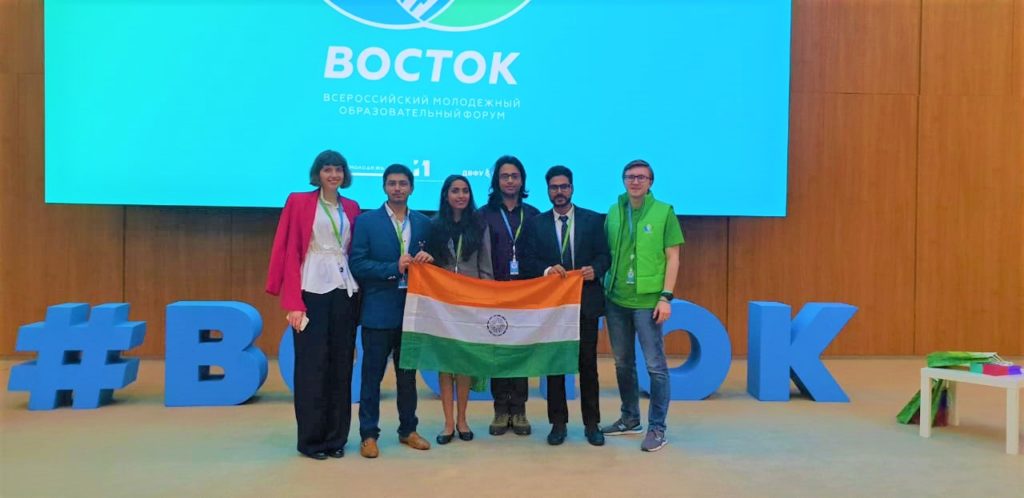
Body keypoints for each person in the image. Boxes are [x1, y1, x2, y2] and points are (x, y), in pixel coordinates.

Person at [265, 150, 361, 460]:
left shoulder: (352, 207)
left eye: (338, 169)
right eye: (327, 169)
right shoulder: (298, 202)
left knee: (341, 367)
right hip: (311, 290)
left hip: (344, 290)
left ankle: (336, 438)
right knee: (311, 367)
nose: (334, 175)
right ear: (317, 173)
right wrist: (293, 302)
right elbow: (289, 250)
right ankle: (311, 441)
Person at [520, 165, 609, 446]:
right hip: (553, 308)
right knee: (554, 365)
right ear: (548, 190)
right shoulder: (536, 224)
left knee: (587, 365)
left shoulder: (593, 220)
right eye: (554, 187)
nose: (559, 192)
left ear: (572, 188)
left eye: (564, 186)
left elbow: (605, 255)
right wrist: (547, 270)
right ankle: (558, 424)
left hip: (585, 304)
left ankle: (592, 424)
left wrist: (596, 269)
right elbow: (527, 260)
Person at [349, 163, 434, 458]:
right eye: (392, 183)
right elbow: (357, 264)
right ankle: (368, 434)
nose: (397, 188)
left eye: (403, 183)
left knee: (407, 377)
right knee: (371, 377)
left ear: (412, 188)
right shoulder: (366, 222)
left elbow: (434, 263)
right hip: (378, 311)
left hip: (412, 312)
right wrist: (392, 268)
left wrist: (430, 259)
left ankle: (408, 430)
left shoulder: (424, 223)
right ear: (384, 187)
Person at [601, 159, 683, 453]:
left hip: (648, 302)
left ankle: (657, 428)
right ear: (623, 180)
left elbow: (673, 257)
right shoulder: (614, 211)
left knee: (655, 366)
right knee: (623, 363)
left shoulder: (664, 212)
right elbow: (606, 253)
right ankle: (630, 418)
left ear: (650, 182)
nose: (635, 181)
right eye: (630, 177)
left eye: (641, 177)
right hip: (616, 299)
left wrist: (666, 296)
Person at [422, 174, 494, 445]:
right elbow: (428, 263)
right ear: (446, 195)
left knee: (463, 362)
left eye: (465, 191)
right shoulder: (433, 225)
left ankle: (462, 419)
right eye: (455, 191)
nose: (460, 195)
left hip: (470, 303)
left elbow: (485, 266)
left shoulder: (479, 225)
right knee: (445, 363)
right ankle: (448, 423)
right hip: (441, 303)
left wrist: (486, 298)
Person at [479, 155, 540, 436]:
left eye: (515, 176)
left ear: (522, 180)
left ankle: (520, 409)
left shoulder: (534, 214)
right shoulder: (483, 214)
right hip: (494, 292)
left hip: (526, 295)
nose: (510, 181)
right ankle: (500, 409)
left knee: (520, 351)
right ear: (496, 181)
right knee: (498, 352)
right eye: (505, 176)